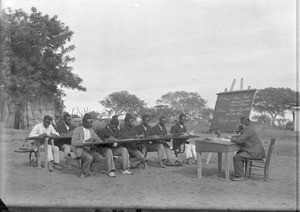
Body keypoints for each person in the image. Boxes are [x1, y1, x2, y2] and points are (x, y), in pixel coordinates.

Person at [229, 116, 266, 181]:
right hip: (254, 151)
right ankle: (238, 173)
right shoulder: (248, 129)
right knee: (239, 153)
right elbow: (241, 137)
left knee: (237, 157)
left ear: (243, 123)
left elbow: (240, 140)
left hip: (254, 153)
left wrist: (231, 139)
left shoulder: (248, 130)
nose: (238, 125)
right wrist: (234, 137)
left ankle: (240, 176)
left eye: (239, 123)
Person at [71, 113, 102, 178]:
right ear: (84, 123)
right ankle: (84, 172)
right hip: (80, 150)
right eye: (89, 122)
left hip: (89, 150)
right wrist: (84, 142)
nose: (91, 124)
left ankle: (89, 170)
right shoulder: (77, 130)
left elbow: (97, 138)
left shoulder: (91, 130)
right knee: (89, 158)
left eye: (91, 122)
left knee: (99, 157)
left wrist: (98, 141)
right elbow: (73, 142)